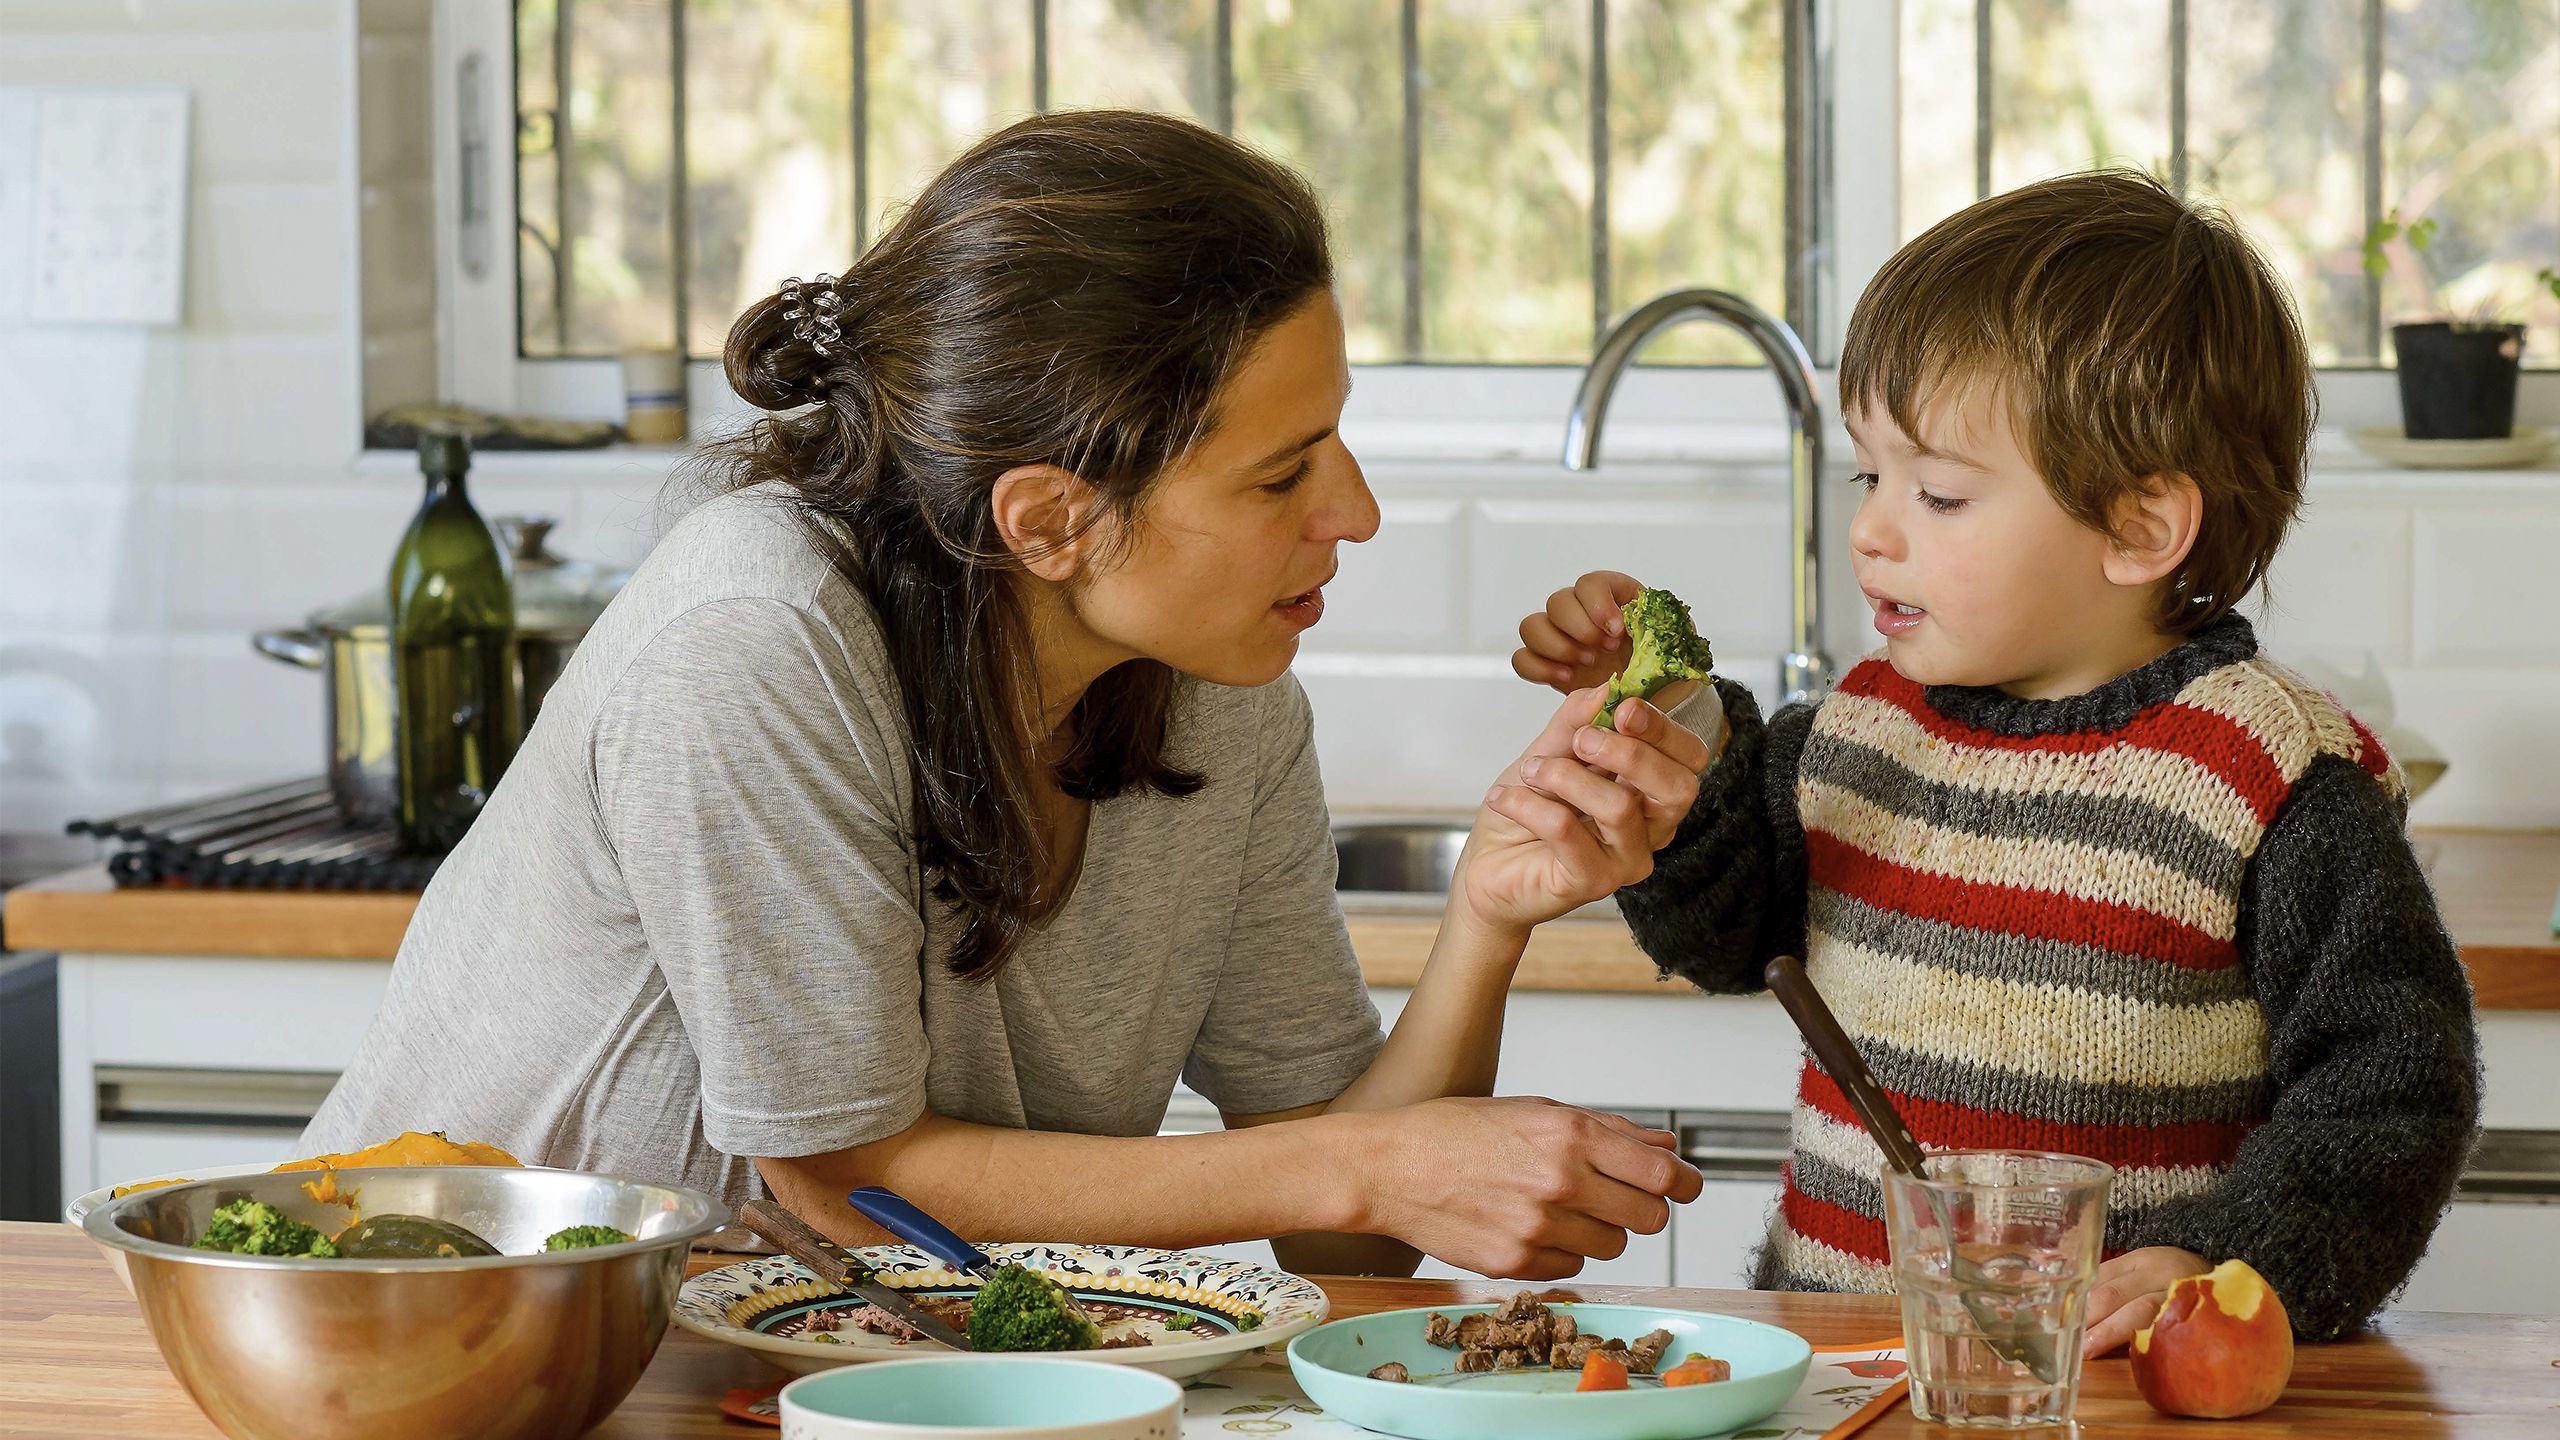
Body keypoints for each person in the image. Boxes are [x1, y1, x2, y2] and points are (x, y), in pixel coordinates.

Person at [305, 110, 1712, 1280]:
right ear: (1047, 522)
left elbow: (1343, 1229)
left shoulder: (1224, 694)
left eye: (1335, 439)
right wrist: (1362, 1168)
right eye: (1283, 472)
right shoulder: (758, 641)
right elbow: (849, 1187)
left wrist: (1490, 917)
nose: (1354, 510)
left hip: (855, 1376)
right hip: (465, 1353)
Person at [1510, 170, 2480, 1345]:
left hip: (2120, 1391)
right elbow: (1726, 940)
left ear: (2137, 526)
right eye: (1871, 476)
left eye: (1941, 493)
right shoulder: (1861, 729)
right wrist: (1676, 736)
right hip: (1840, 1368)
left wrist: (2231, 1262)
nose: (1871, 528)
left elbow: (2391, 1090)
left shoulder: (2263, 776)